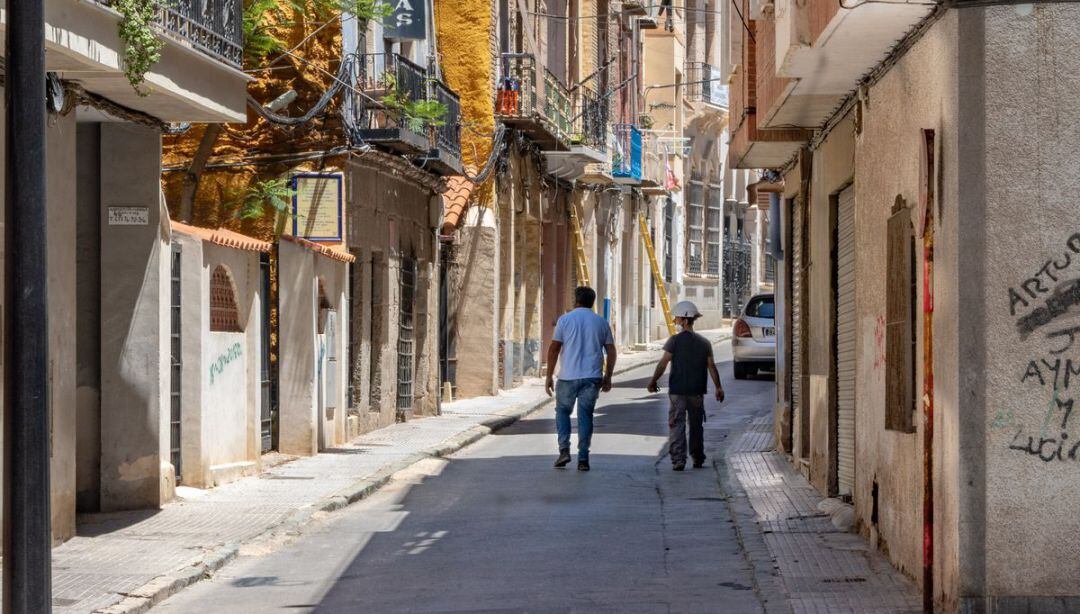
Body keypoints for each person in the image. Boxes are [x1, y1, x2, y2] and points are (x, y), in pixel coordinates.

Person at [646, 301, 724, 471]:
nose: (675, 320)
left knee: (676, 424)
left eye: (677, 318)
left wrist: (653, 381)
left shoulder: (674, 341)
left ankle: (678, 460)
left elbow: (663, 363)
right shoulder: (704, 343)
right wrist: (719, 387)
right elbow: (712, 367)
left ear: (684, 319)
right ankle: (697, 457)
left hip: (677, 392)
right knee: (696, 425)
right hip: (697, 391)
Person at [545, 286, 617, 472]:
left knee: (562, 412)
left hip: (568, 376)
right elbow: (611, 350)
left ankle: (564, 450)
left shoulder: (565, 320)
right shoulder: (601, 322)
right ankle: (583, 458)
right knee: (586, 416)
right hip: (592, 377)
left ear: (576, 300)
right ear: (592, 302)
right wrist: (608, 376)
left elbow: (554, 348)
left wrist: (549, 376)